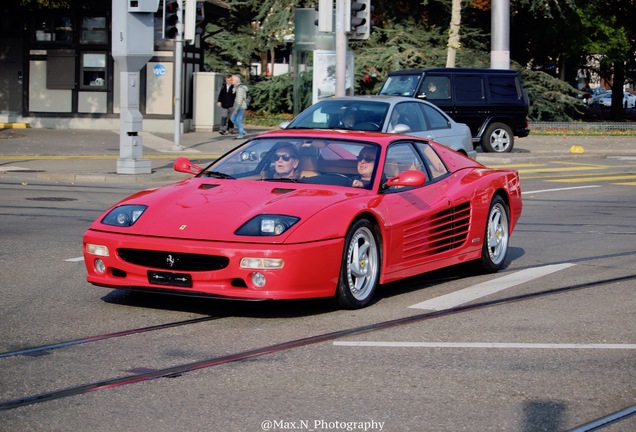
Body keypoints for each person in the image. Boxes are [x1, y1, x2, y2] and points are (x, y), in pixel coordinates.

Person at [230, 75, 249, 139]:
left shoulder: (240, 88)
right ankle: (242, 131)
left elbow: (239, 100)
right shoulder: (236, 87)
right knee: (232, 119)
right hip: (238, 106)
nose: (231, 81)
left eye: (232, 80)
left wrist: (236, 109)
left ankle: (241, 134)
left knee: (238, 120)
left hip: (240, 107)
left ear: (236, 81)